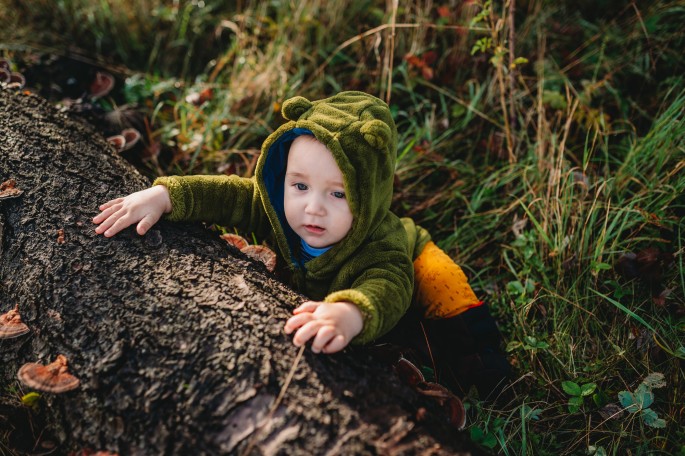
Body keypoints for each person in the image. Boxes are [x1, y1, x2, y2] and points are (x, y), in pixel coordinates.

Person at [93, 91, 510, 399]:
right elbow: (229, 195)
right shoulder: (280, 210)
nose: (312, 209)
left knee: (444, 289)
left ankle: (485, 369)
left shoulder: (379, 245)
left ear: (368, 195)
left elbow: (390, 286)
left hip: (413, 252)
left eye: (338, 194)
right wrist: (166, 195)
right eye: (300, 185)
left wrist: (351, 312)